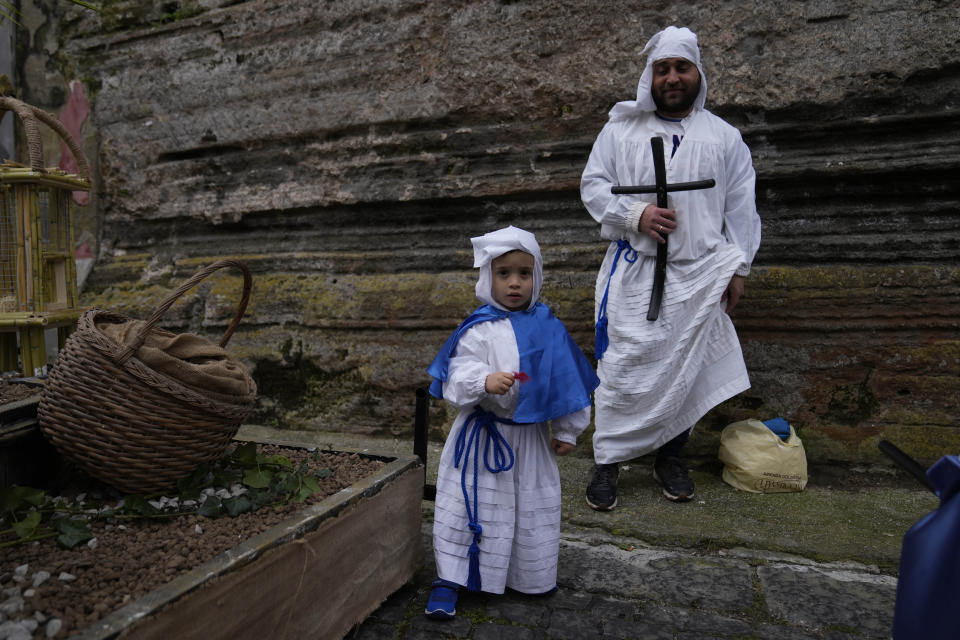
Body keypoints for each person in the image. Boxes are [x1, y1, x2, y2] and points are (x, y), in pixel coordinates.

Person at [580, 26, 761, 508]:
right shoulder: (620, 130)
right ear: (650, 76)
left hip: (700, 274)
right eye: (663, 69)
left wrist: (738, 267)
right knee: (620, 371)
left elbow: (742, 208)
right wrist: (635, 214)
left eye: (681, 67)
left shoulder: (724, 137)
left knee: (686, 373)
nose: (672, 78)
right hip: (636, 271)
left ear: (699, 72)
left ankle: (671, 458)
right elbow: (594, 185)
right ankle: (608, 464)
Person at [423, 226, 599, 619]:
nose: (515, 283)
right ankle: (450, 579)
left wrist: (568, 429)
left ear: (537, 275)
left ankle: (525, 576)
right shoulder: (479, 327)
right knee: (467, 509)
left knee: (530, 508)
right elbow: (456, 376)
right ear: (488, 277)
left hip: (531, 439)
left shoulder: (549, 327)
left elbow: (567, 378)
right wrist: (482, 381)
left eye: (524, 272)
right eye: (504, 274)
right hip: (482, 438)